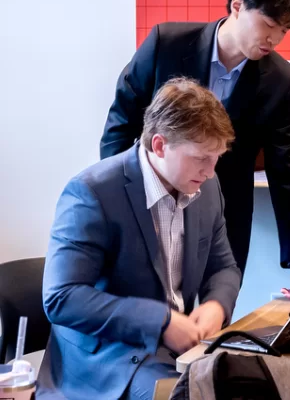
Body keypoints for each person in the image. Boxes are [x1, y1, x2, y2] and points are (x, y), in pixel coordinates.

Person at [100, 0, 290, 300]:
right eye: (269, 24)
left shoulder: (280, 80)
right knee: (150, 308)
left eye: (284, 30)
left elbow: (285, 169)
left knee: (215, 312)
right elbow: (120, 123)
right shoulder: (166, 43)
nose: (274, 39)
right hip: (149, 202)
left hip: (225, 213)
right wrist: (117, 200)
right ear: (237, 6)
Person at [38, 78, 242, 399]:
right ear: (159, 145)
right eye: (201, 157)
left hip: (179, 350)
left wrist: (217, 303)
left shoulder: (206, 189)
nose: (211, 171)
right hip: (110, 359)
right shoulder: (92, 192)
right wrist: (158, 322)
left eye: (217, 157)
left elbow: (224, 268)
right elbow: (61, 298)